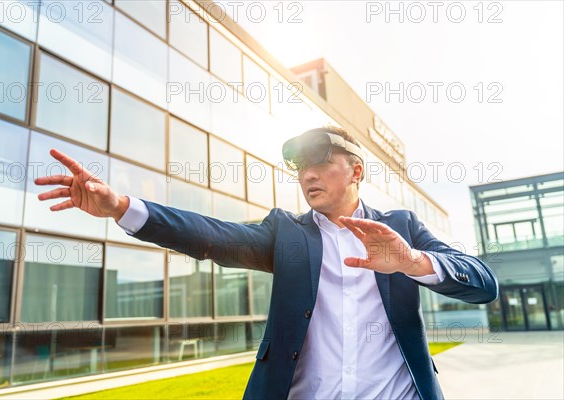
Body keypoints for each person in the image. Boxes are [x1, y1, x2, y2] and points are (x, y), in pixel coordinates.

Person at [35, 126, 498, 400]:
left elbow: (483, 283)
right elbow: (212, 236)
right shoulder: (287, 233)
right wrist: (122, 207)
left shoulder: (402, 226)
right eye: (299, 166)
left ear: (356, 170)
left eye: (320, 160)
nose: (308, 174)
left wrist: (413, 261)